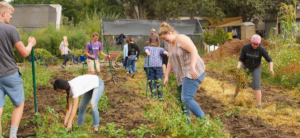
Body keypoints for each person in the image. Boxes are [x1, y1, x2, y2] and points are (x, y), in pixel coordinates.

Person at [0, 2, 36, 138]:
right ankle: (13, 135)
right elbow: (25, 53)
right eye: (10, 14)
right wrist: (31, 44)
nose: (11, 17)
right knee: (19, 103)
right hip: (10, 74)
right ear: (3, 13)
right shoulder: (10, 29)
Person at [159, 22, 206, 122]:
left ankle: (205, 123)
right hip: (182, 75)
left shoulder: (182, 39)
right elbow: (170, 61)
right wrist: (166, 76)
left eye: (164, 38)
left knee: (186, 99)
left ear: (169, 33)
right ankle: (187, 124)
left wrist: (192, 67)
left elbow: (194, 50)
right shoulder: (170, 44)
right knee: (180, 100)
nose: (164, 41)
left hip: (193, 72)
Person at [231, 34, 274, 109]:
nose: (255, 46)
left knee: (257, 85)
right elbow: (241, 59)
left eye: (257, 44)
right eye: (254, 44)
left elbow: (270, 60)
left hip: (256, 68)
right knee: (240, 82)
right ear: (251, 42)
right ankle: (235, 96)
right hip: (245, 67)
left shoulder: (261, 49)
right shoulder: (245, 47)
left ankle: (259, 106)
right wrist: (238, 67)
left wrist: (271, 69)